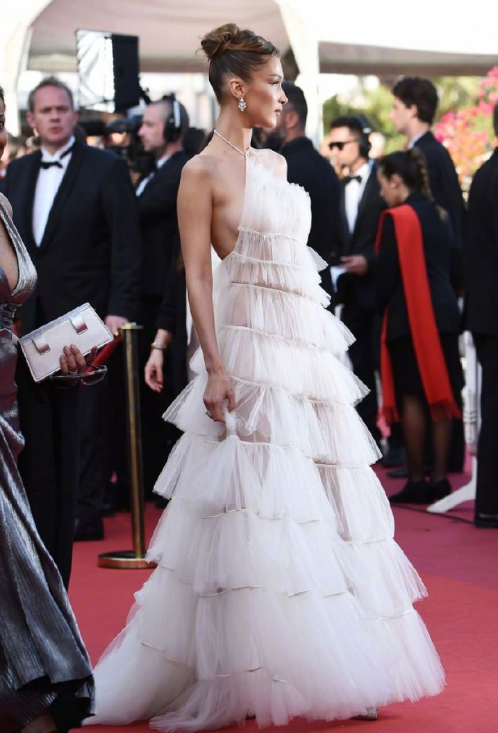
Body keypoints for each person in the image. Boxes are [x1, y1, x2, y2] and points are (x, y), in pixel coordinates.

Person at [88, 24, 444, 731]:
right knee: (255, 511)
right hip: (247, 355)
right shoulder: (200, 173)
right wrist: (214, 366)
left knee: (326, 500)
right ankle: (245, 670)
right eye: (274, 83)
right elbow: (196, 275)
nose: (283, 96)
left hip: (305, 349)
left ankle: (341, 660)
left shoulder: (277, 166)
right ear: (236, 88)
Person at [4, 77, 142, 566]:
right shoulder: (17, 171)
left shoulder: (107, 168)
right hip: (25, 321)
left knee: (88, 417)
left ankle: (86, 508)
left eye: (62, 108)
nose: (55, 117)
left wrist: (119, 308)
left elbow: (127, 244)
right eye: (46, 110)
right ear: (32, 120)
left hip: (85, 316)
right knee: (37, 422)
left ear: (74, 114)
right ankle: (47, 506)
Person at [0, 84, 94, 733]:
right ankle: (32, 696)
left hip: (14, 401)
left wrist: (53, 359)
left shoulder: (3, 203)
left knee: (22, 557)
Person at [375, 149, 463, 505]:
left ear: (397, 181)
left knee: (412, 397)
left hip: (408, 317)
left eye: (383, 184)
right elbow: (455, 266)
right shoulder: (441, 215)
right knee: (440, 395)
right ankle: (439, 478)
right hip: (444, 314)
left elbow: (385, 278)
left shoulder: (396, 218)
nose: (381, 192)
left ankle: (416, 480)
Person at [390, 76, 466, 475]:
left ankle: (435, 463)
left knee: (428, 382)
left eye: (396, 107)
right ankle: (437, 462)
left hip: (428, 287)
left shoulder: (429, 155)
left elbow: (447, 222)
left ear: (412, 109)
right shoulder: (432, 152)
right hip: (435, 286)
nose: (392, 114)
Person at [136, 97, 191, 493]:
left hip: (167, 297)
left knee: (170, 394)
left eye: (150, 125)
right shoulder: (153, 170)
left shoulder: (182, 170)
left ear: (171, 129)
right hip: (153, 296)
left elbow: (136, 211)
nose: (141, 132)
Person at [328, 115, 384, 449]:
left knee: (387, 367)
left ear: (361, 142)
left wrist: (370, 261)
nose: (334, 151)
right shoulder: (334, 185)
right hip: (350, 294)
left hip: (383, 291)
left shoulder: (383, 178)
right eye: (331, 145)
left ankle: (401, 442)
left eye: (340, 144)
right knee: (359, 368)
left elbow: (395, 234)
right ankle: (369, 437)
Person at [268, 81, 340, 300]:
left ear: (291, 119)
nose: (264, 124)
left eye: (273, 113)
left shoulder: (282, 168)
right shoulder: (326, 167)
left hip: (291, 292)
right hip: (320, 288)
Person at [464, 103, 498, 528]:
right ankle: (490, 503)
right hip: (493, 313)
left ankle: (490, 504)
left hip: (487, 311)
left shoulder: (485, 173)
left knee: (494, 407)